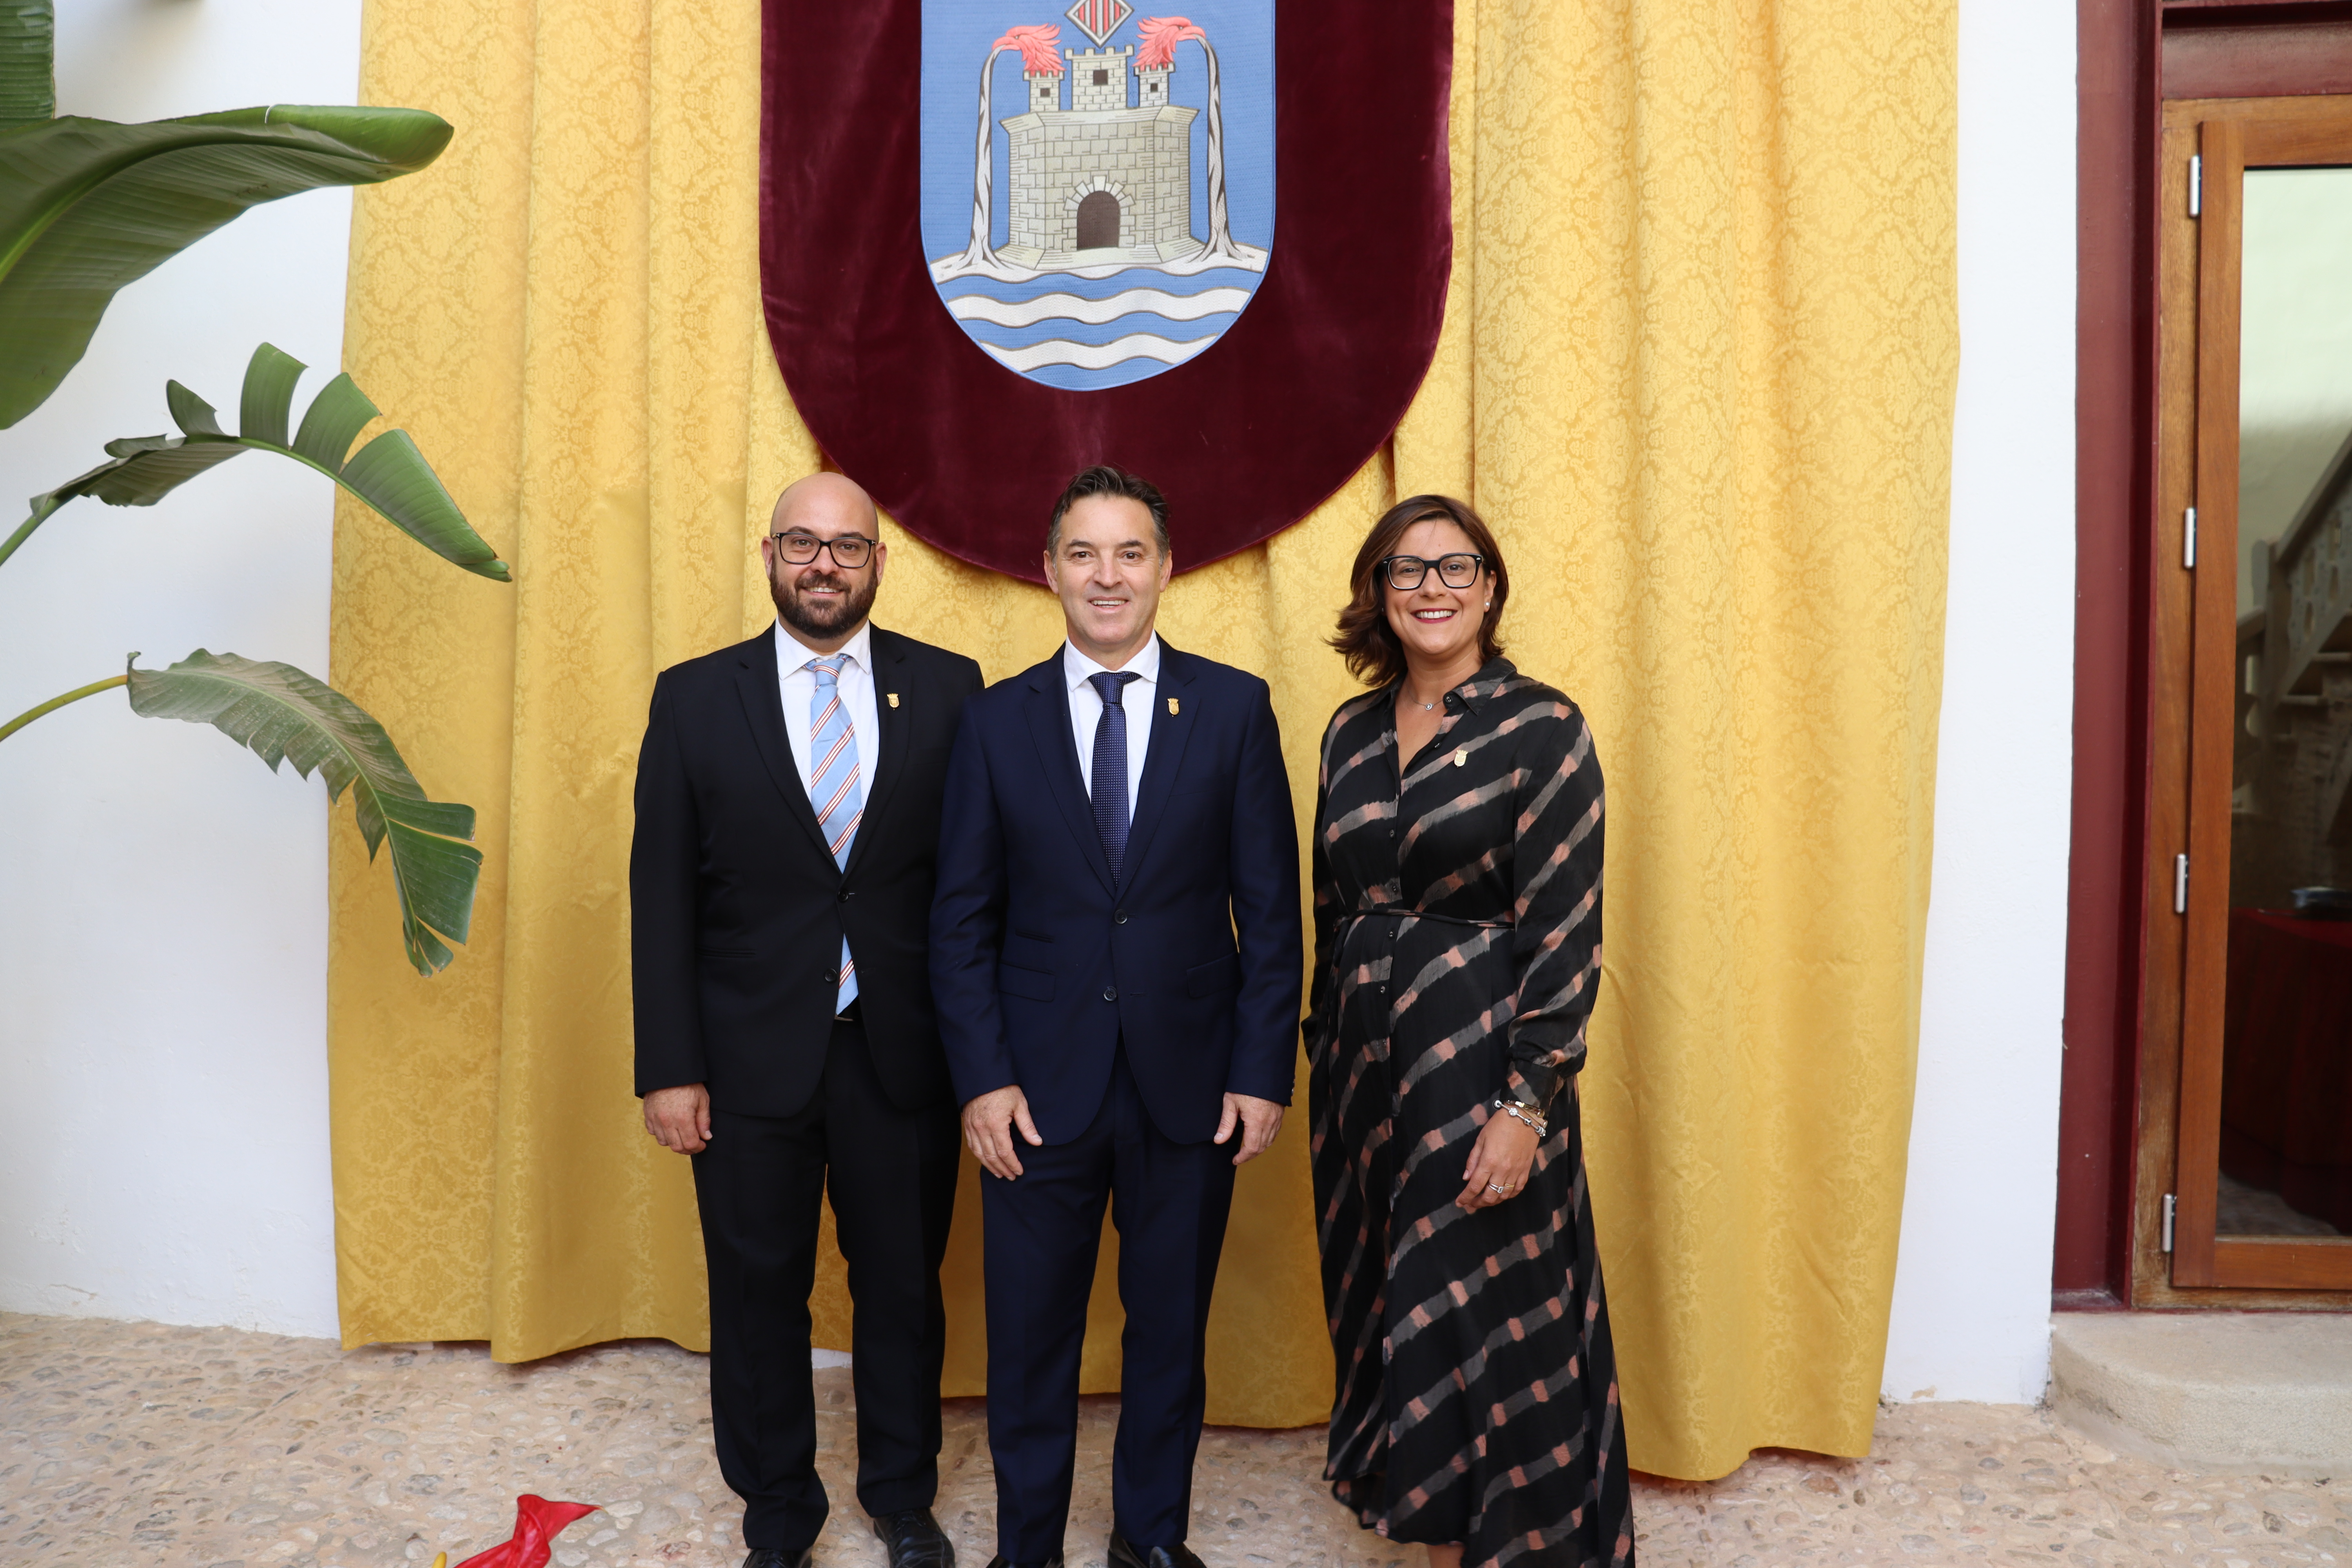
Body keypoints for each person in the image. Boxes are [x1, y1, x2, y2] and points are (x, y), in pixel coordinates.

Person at [929, 465, 1303, 1568]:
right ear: (1048, 571)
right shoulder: (995, 724)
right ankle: (1028, 1550)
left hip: (1191, 1083)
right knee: (1031, 1341)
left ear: (1167, 569)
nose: (1108, 576)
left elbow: (1271, 916)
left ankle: (1149, 1540)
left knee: (1170, 1339)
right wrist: (983, 1081)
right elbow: (960, 921)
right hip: (1034, 1093)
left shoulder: (1234, 709)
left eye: (1130, 552)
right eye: (1084, 554)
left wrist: (1262, 1070)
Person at [631, 472, 984, 1568]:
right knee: (754, 1297)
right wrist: (669, 1067)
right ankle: (778, 1514)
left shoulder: (950, 689)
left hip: (900, 1056)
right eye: (801, 543)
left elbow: (972, 887)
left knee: (900, 1293)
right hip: (743, 1065)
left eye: (846, 546)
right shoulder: (695, 698)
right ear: (770, 554)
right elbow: (662, 896)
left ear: (880, 562)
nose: (822, 564)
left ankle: (901, 1498)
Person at [1306, 495, 1634, 1568]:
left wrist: (1525, 1107)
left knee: (1489, 1319)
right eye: (1407, 571)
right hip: (1362, 1079)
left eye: (1455, 569)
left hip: (1481, 1068)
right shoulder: (1348, 732)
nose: (1432, 589)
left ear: (1490, 589)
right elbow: (1329, 911)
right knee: (1391, 1306)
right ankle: (1430, 1534)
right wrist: (1321, 1054)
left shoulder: (1545, 727)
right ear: (1379, 592)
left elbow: (1568, 934)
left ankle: (1515, 1546)